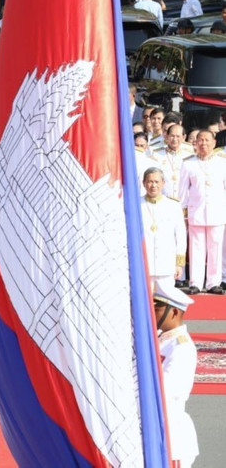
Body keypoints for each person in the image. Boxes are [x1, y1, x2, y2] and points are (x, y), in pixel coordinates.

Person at [152, 280, 198, 468]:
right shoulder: (162, 339)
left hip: (172, 438)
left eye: (158, 309)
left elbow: (166, 392)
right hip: (157, 430)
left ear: (174, 312)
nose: (152, 313)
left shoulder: (182, 348)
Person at [179, 130, 226, 294]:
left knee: (216, 248)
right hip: (196, 212)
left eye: (207, 140)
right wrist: (182, 213)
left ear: (214, 143)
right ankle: (196, 282)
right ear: (195, 143)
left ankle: (214, 282)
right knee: (196, 249)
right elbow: (183, 191)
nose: (203, 144)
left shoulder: (222, 162)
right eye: (200, 141)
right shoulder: (188, 163)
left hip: (217, 212)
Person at [141, 168, 186, 293]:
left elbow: (181, 235)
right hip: (145, 264)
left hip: (166, 263)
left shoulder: (173, 205)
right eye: (150, 182)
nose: (153, 185)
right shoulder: (137, 204)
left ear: (163, 183)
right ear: (144, 183)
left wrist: (179, 264)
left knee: (165, 304)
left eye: (156, 181)